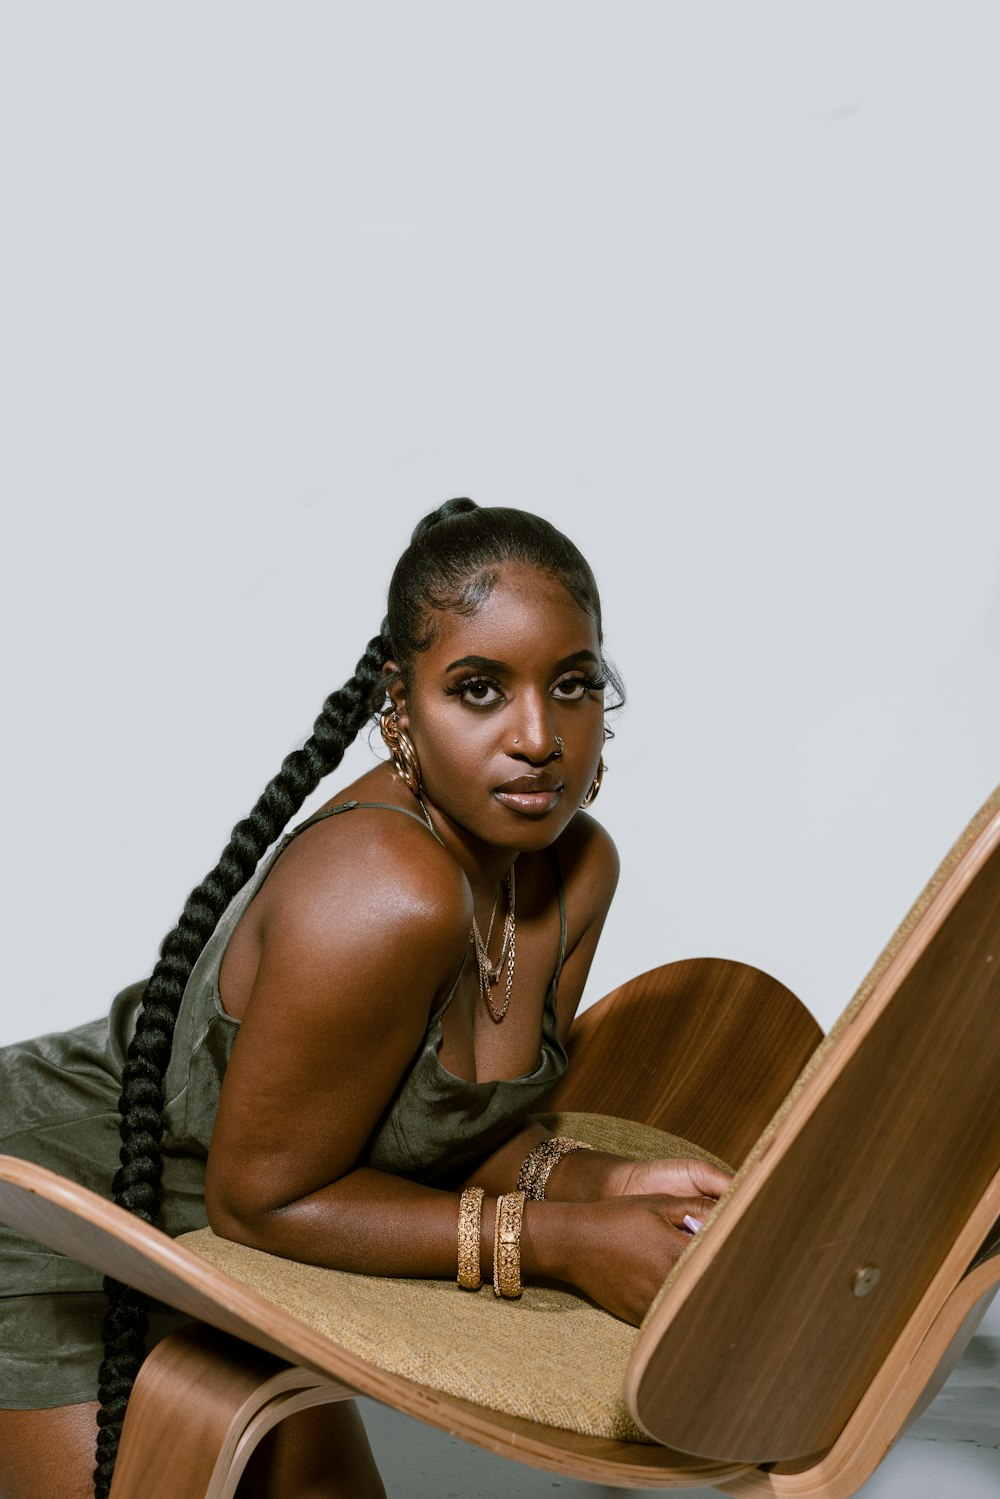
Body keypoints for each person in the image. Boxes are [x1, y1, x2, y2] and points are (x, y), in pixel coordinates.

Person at [0, 499, 731, 1499]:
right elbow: (261, 1197)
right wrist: (561, 1242)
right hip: (55, 1216)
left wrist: (598, 1180)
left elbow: (404, 1131)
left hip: (244, 1245)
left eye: (571, 684)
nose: (536, 736)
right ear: (401, 702)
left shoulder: (573, 871)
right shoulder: (385, 887)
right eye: (478, 688)